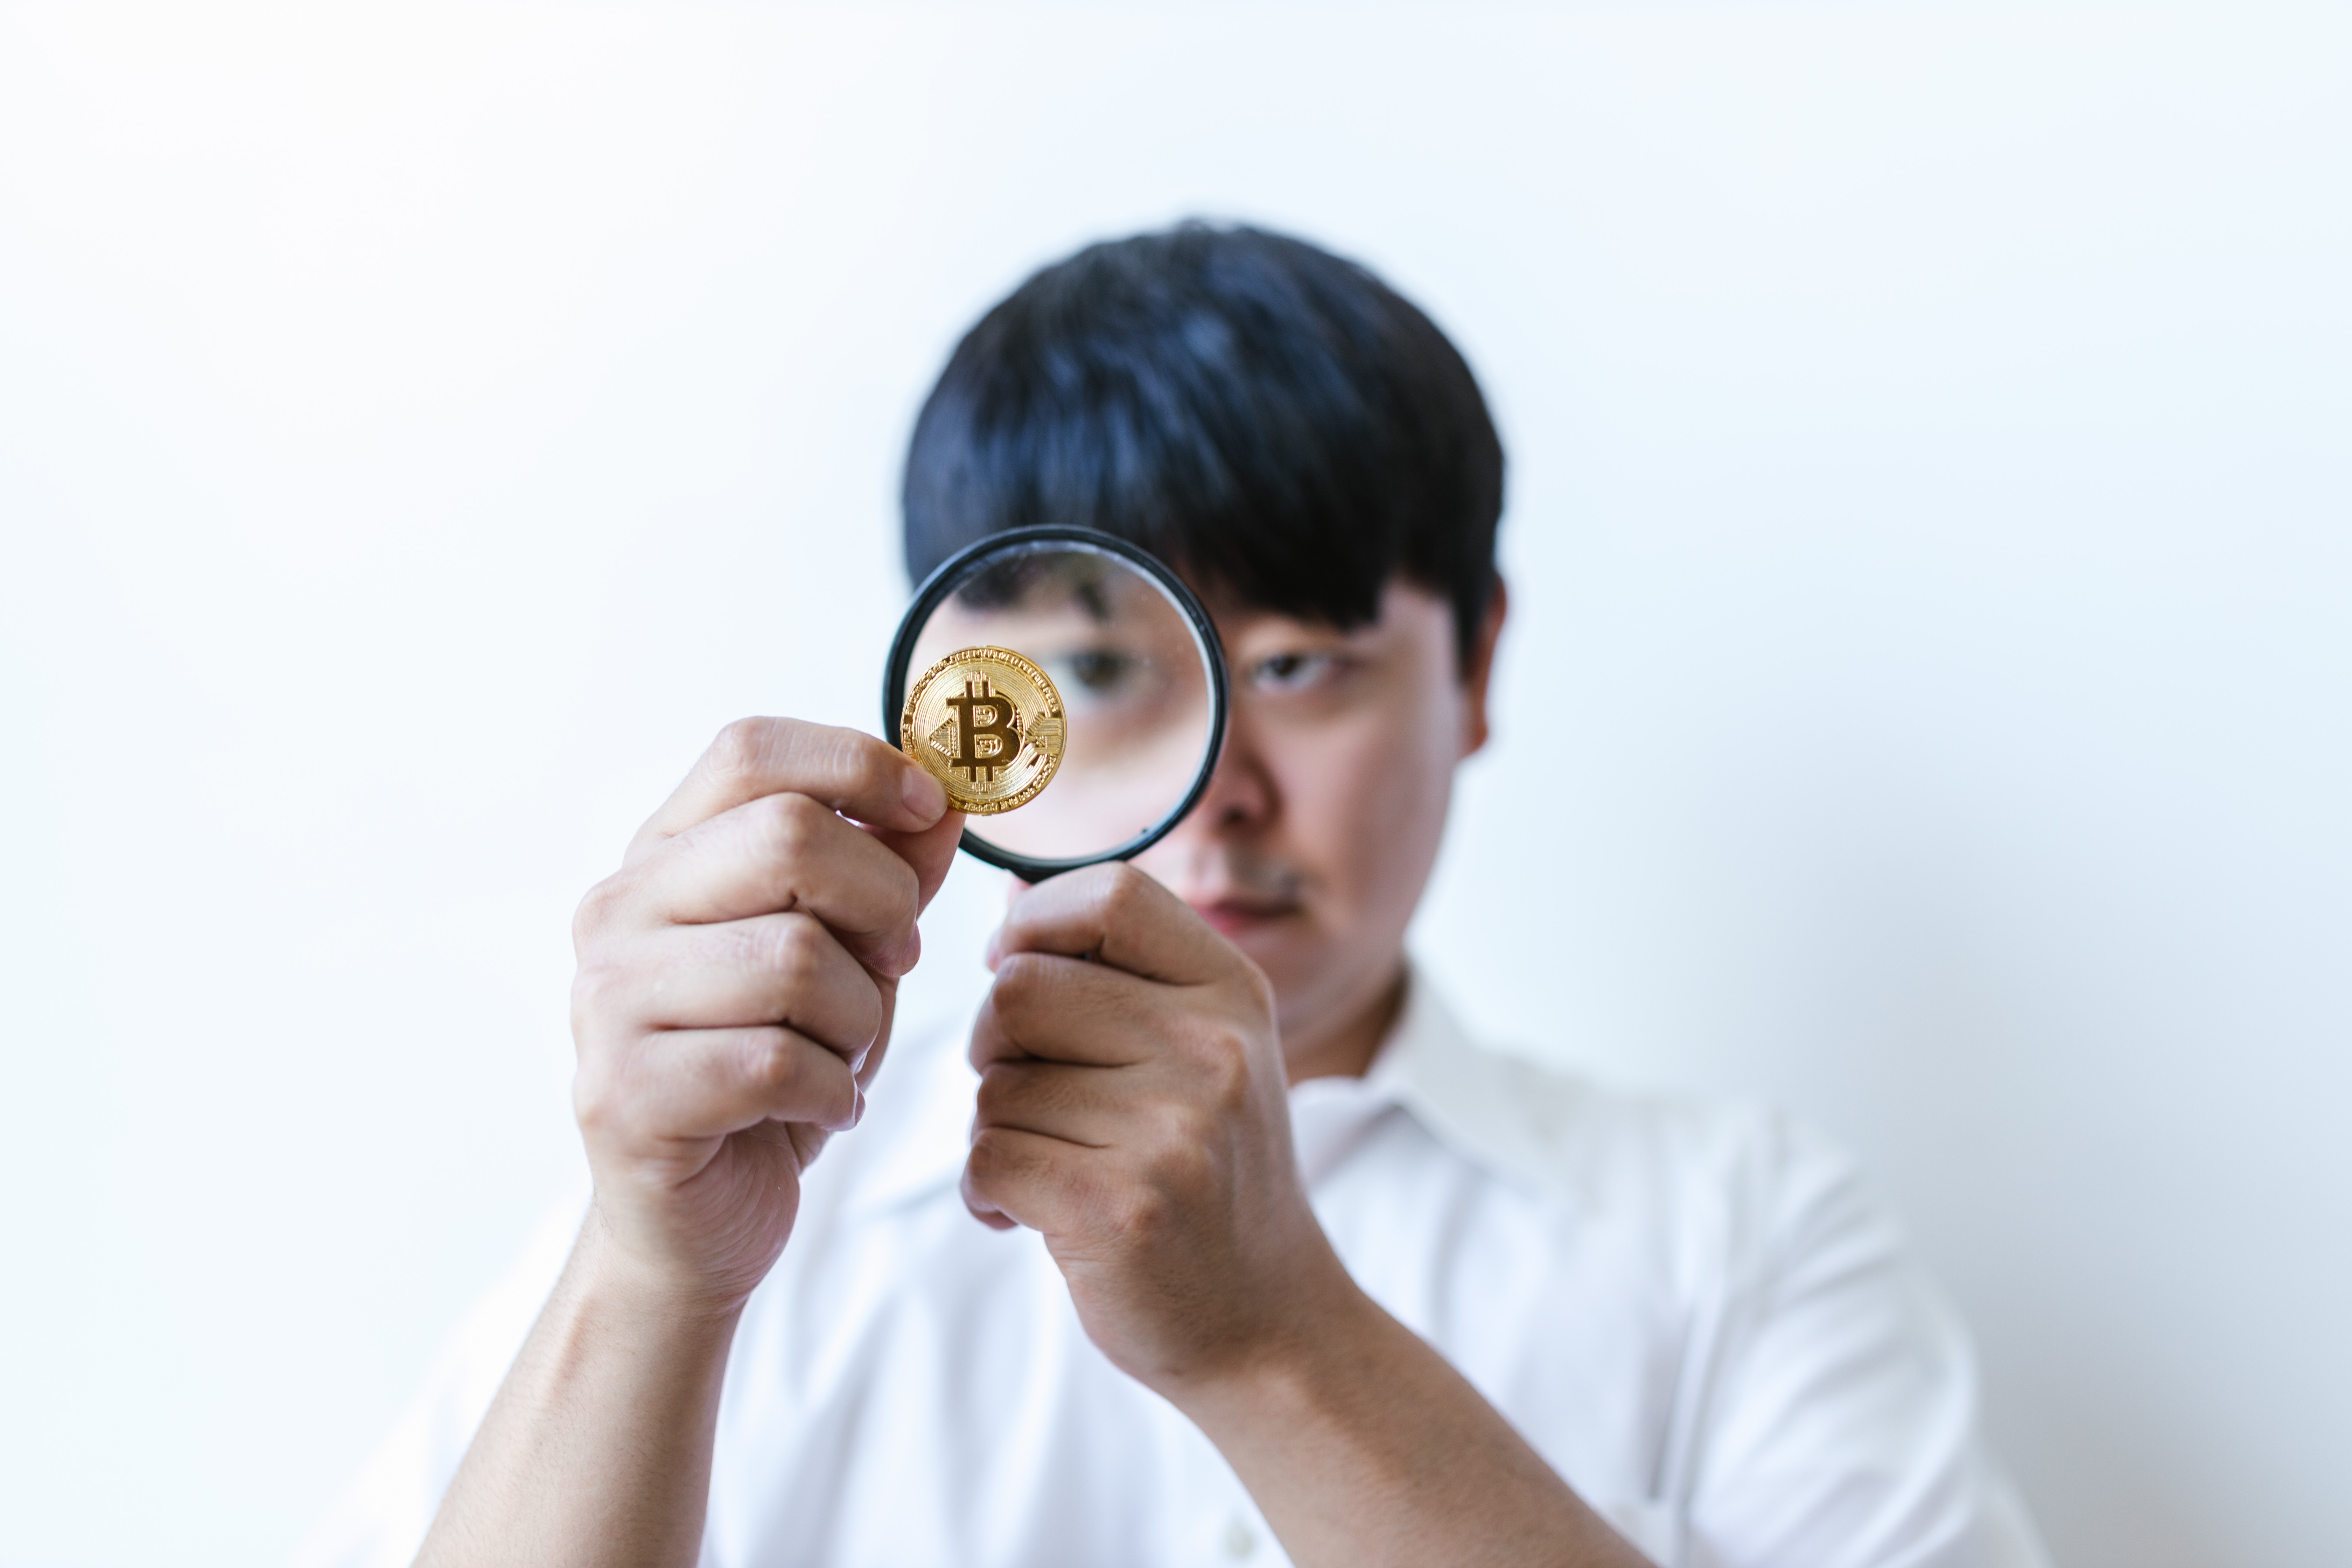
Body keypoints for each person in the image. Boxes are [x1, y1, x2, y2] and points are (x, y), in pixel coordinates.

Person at [301, 223, 2047, 1568]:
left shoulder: (1740, 1233)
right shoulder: (730, 1194)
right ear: (961, 695)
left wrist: (1279, 1335)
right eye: (1093, 667)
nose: (1218, 790)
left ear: (1481, 663)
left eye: (1297, 664)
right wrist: (649, 1271)